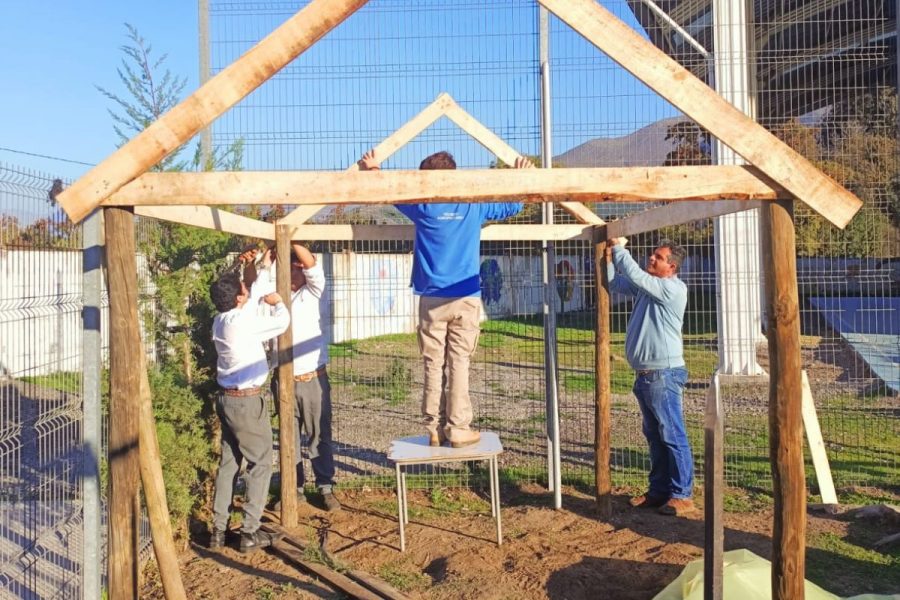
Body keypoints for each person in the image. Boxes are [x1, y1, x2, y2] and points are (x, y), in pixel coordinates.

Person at [359, 149, 532, 448]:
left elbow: (387, 190)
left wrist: (373, 169)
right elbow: (513, 205)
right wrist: (521, 176)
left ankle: (434, 427)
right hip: (464, 295)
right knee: (459, 362)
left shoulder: (422, 206)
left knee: (432, 363)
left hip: (431, 297)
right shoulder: (472, 206)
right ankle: (458, 427)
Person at [607, 236, 695, 516]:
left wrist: (620, 247)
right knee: (655, 436)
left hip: (663, 374)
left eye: (658, 257)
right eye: (653, 255)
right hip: (647, 375)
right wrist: (609, 259)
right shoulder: (650, 287)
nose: (651, 259)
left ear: (671, 266)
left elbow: (632, 273)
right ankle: (659, 492)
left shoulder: (671, 289)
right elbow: (615, 284)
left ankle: (683, 495)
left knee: (672, 433)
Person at [208, 250, 289, 552]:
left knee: (229, 464)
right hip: (246, 403)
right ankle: (250, 533)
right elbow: (282, 321)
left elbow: (241, 292)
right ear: (240, 299)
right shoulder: (243, 323)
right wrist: (277, 299)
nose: (246, 289)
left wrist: (253, 267)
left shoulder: (221, 320)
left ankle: (219, 531)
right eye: (243, 290)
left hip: (227, 401)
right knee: (261, 464)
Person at [255, 242, 340, 512]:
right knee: (288, 437)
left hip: (312, 378)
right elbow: (257, 280)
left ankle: (325, 487)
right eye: (286, 269)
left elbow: (313, 266)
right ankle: (294, 488)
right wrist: (265, 257)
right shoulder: (273, 299)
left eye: (295, 269)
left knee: (319, 435)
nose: (291, 274)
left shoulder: (314, 292)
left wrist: (288, 240)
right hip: (284, 378)